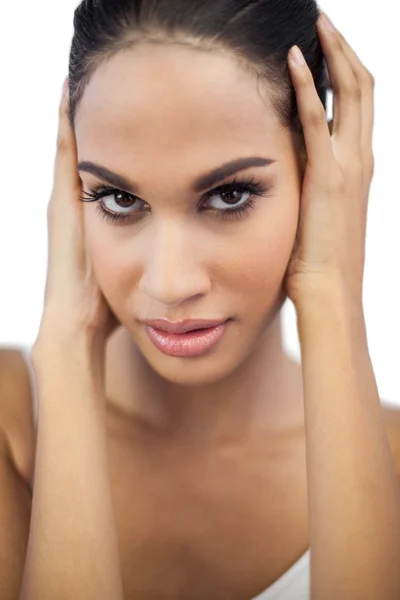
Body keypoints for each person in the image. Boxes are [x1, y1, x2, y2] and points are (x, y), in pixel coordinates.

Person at [1, 1, 400, 599]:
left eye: (231, 195)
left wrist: (332, 294)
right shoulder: (11, 428)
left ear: (324, 176)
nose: (169, 281)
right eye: (117, 198)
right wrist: (66, 345)